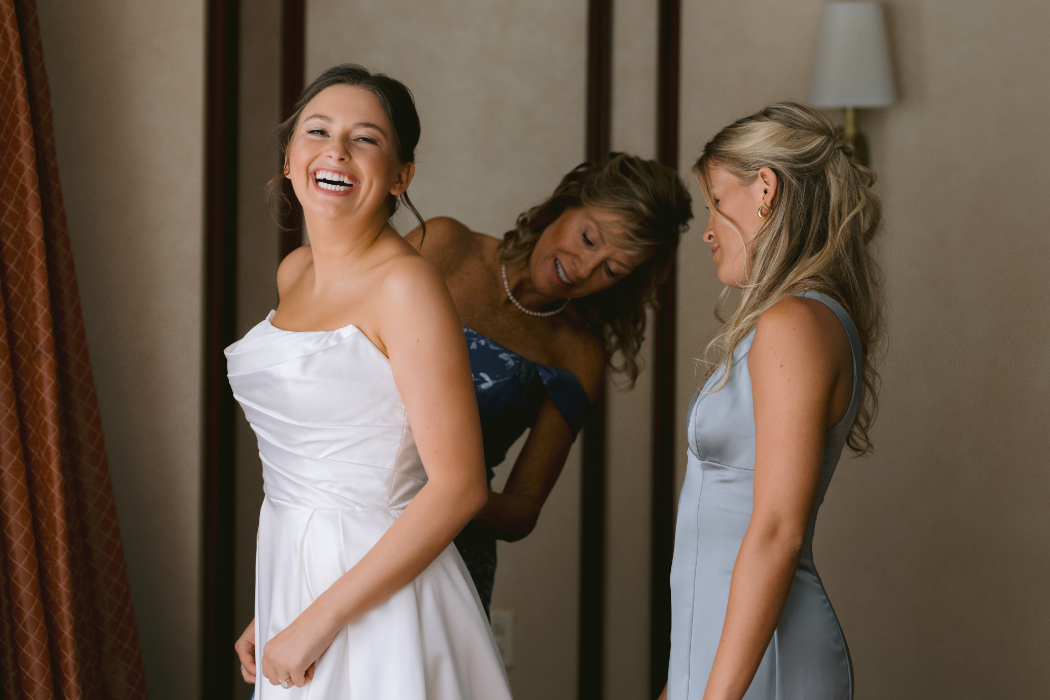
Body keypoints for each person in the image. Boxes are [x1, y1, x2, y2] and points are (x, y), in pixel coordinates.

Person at [228, 64, 511, 699]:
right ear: (291, 154)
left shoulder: (406, 287)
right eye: (318, 130)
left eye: (366, 138)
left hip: (379, 599)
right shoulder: (294, 271)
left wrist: (319, 619)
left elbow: (460, 486)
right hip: (294, 578)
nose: (336, 151)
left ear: (402, 175)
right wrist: (278, 609)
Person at [405, 153, 693, 614]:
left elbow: (522, 511)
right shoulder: (444, 244)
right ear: (567, 202)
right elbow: (338, 347)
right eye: (588, 238)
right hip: (345, 518)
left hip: (448, 561)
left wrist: (447, 491)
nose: (582, 269)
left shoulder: (576, 355)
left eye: (612, 270)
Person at [663, 102, 885, 700]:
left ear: (765, 189)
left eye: (715, 200)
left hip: (765, 665)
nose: (707, 229)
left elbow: (779, 529)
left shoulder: (795, 322)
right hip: (720, 656)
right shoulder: (791, 320)